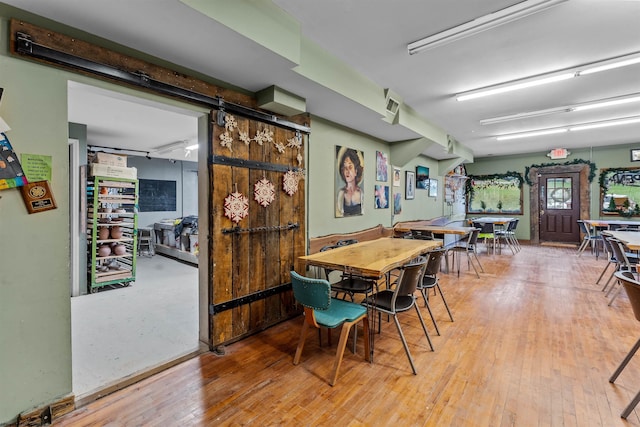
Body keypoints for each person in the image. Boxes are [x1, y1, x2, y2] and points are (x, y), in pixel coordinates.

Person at [336, 148, 363, 217]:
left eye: (350, 167)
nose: (347, 171)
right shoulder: (341, 193)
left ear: (356, 171)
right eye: (345, 167)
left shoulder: (361, 193)